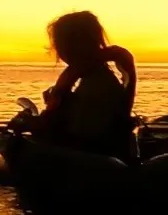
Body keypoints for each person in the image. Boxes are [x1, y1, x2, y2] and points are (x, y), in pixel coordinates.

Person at [12, 11, 137, 161]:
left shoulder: (99, 85)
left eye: (59, 43)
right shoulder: (98, 79)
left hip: (93, 159)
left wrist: (32, 125)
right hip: (103, 151)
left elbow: (83, 133)